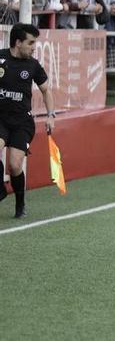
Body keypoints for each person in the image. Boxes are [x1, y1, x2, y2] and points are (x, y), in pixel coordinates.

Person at [0, 23, 56, 218]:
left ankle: (20, 203)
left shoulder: (33, 65)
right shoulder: (0, 58)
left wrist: (50, 115)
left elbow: (46, 90)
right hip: (0, 119)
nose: (34, 47)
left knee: (15, 165)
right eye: (31, 43)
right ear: (18, 42)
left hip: (22, 122)